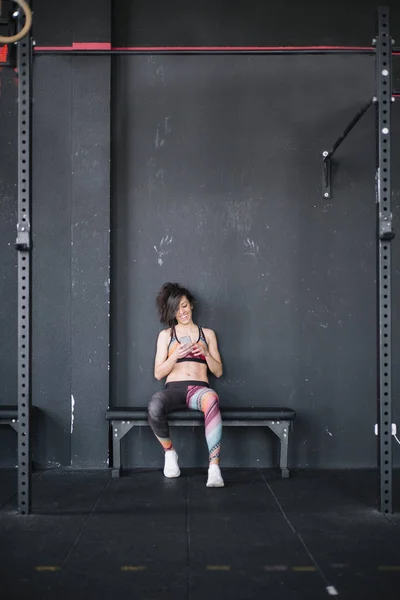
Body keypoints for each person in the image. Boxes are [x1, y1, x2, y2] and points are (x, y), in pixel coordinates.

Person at [147, 282, 224, 487]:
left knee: (212, 399)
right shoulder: (166, 336)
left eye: (184, 305)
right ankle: (170, 453)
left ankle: (214, 468)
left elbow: (218, 371)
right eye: (177, 308)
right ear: (171, 312)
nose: (182, 311)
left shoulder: (207, 334)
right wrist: (175, 356)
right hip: (174, 390)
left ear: (191, 305)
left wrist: (206, 353)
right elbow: (158, 373)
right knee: (155, 405)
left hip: (199, 389)